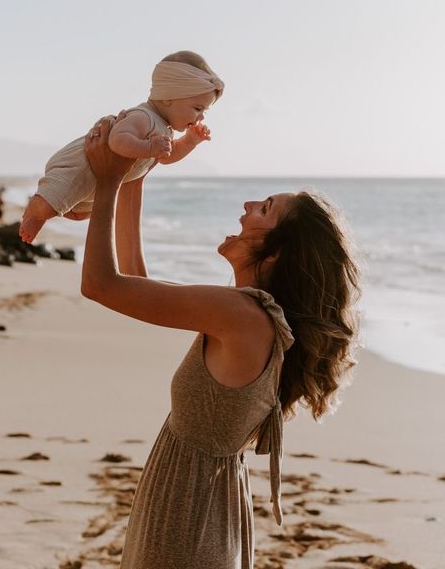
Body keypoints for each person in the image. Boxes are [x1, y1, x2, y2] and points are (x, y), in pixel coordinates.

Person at [81, 118, 361, 569]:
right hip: (199, 511)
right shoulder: (246, 312)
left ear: (274, 254)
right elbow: (133, 279)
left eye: (265, 209)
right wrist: (134, 174)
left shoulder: (243, 317)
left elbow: (100, 284)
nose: (248, 205)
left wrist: (108, 177)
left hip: (186, 525)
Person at [19, 50, 224, 244]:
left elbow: (167, 156)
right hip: (78, 169)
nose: (201, 116)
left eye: (204, 111)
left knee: (79, 213)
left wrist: (190, 142)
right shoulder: (144, 117)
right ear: (169, 96)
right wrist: (149, 147)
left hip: (95, 182)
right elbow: (117, 140)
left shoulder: (164, 129)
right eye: (197, 108)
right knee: (47, 207)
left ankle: (44, 213)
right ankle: (34, 211)